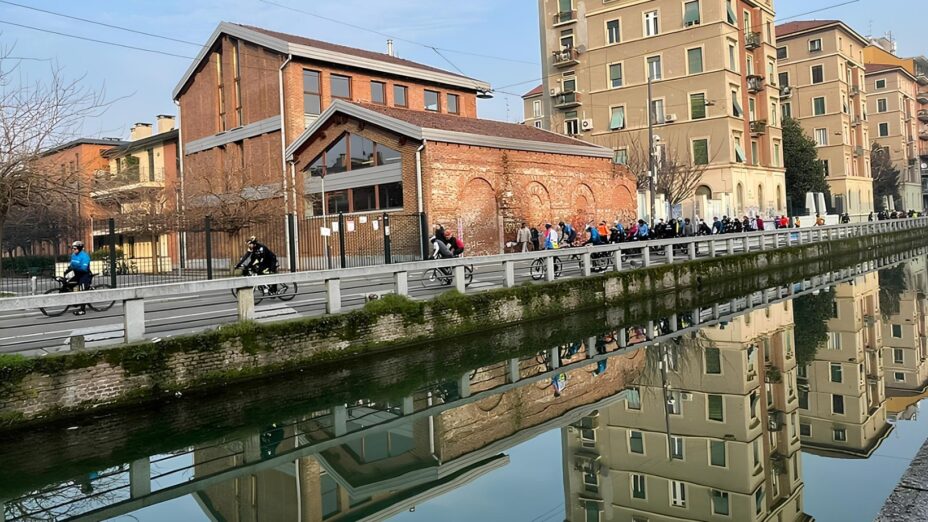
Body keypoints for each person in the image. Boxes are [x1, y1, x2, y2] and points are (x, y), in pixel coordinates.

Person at [65, 240, 92, 316]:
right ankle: (76, 302)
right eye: (73, 248)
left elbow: (84, 268)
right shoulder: (73, 255)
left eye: (75, 248)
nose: (73, 250)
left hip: (84, 275)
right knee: (69, 284)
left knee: (82, 290)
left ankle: (82, 310)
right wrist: (68, 269)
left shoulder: (85, 256)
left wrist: (75, 267)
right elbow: (71, 264)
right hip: (77, 274)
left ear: (79, 248)